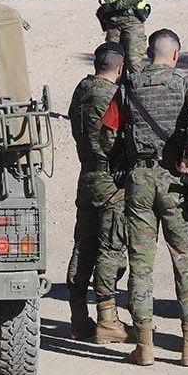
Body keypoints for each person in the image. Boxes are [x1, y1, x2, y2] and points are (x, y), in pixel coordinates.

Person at [113, 28, 188, 366]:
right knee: (184, 260)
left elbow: (112, 130)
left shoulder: (128, 84)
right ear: (175, 54)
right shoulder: (184, 83)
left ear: (150, 53)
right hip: (174, 180)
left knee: (141, 263)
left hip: (139, 181)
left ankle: (144, 345)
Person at [65, 42, 133, 343]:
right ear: (120, 67)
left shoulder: (81, 90)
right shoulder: (112, 95)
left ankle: (78, 317)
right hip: (110, 182)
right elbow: (114, 140)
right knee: (110, 248)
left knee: (84, 246)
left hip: (87, 177)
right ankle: (108, 320)